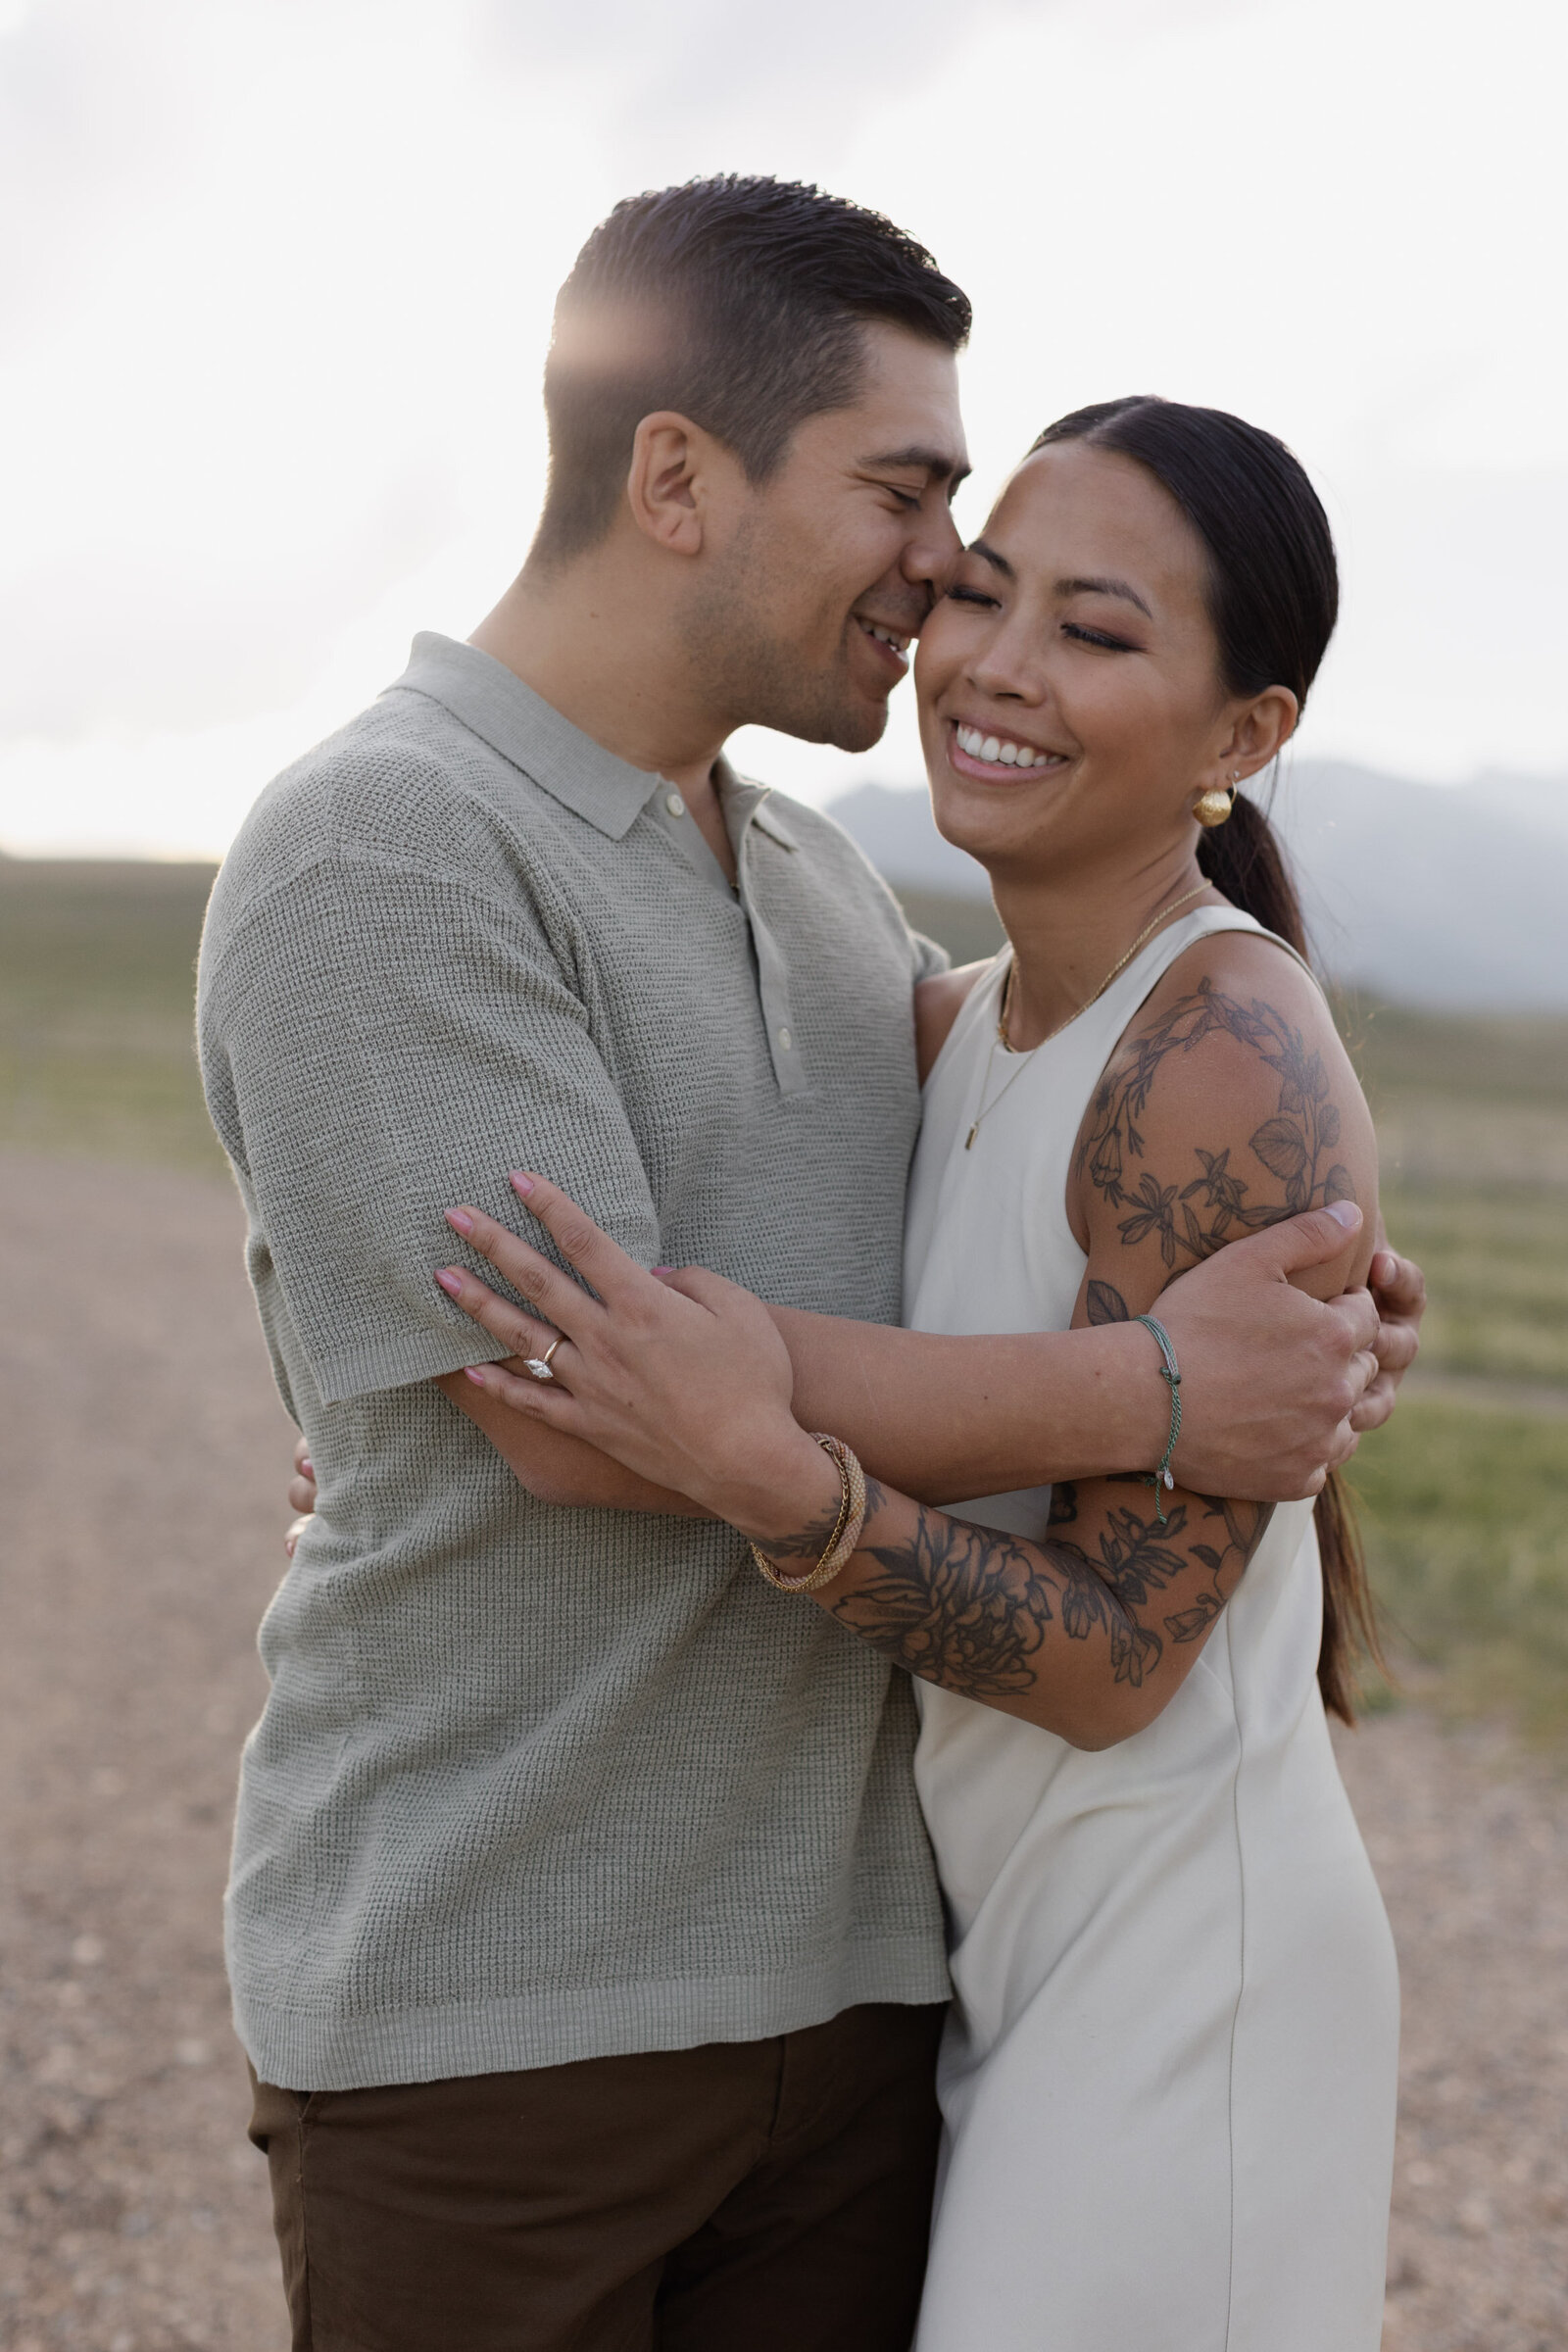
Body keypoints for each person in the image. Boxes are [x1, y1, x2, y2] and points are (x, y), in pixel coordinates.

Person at [202, 173, 1419, 2350]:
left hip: (860, 2006)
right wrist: (1152, 1388)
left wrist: (1297, 1288)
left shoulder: (821, 897)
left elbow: (1085, 1145)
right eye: (911, 494)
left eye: (1053, 589)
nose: (946, 579)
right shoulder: (381, 839)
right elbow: (576, 1423)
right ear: (674, 473)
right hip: (507, 2011)